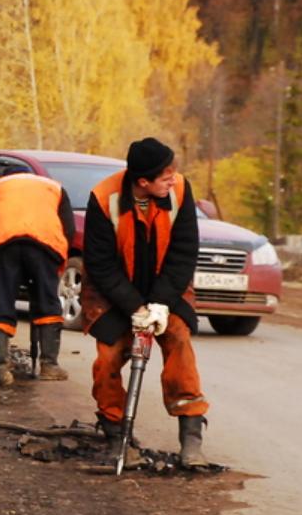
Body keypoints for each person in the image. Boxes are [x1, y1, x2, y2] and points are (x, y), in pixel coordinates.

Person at [81, 137, 209, 468]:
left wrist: (162, 304)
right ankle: (116, 437)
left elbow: (184, 253)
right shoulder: (102, 198)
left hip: (166, 290)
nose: (173, 178)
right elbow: (101, 265)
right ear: (142, 182)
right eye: (165, 176)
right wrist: (136, 309)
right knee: (107, 361)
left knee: (179, 342)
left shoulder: (179, 190)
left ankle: (191, 438)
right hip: (113, 294)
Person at [0, 165, 75, 387]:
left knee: (1, 301)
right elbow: (68, 228)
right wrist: (55, 258)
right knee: (47, 300)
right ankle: (49, 365)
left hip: (4, 242)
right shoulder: (53, 187)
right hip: (45, 243)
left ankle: (0, 369)